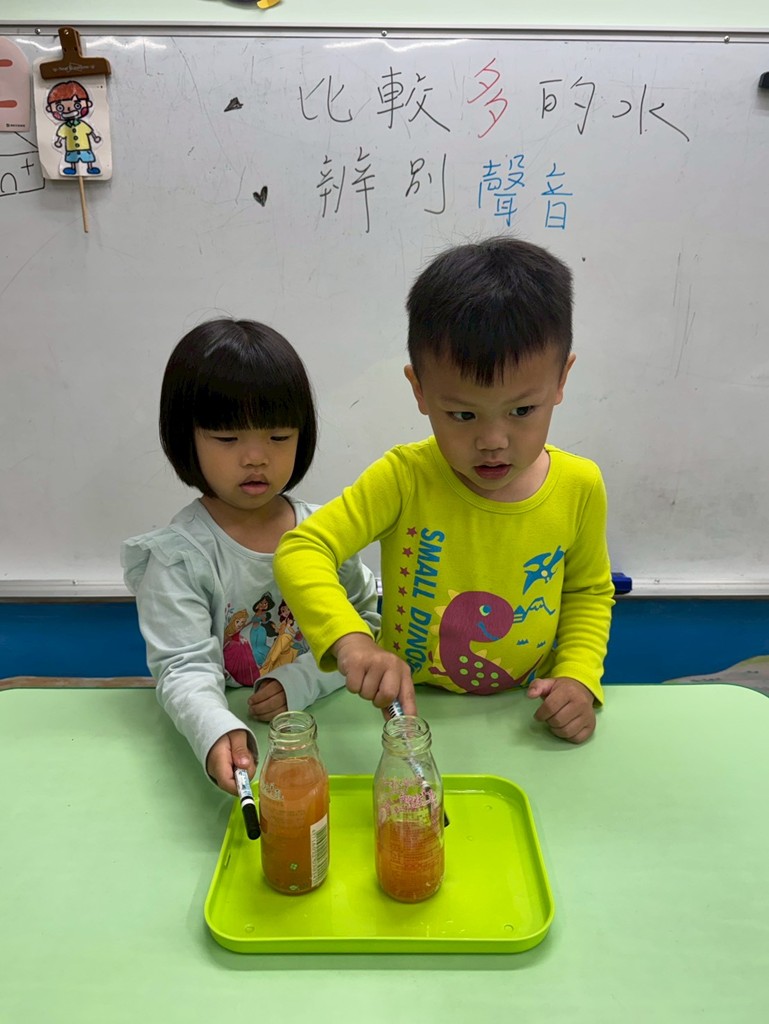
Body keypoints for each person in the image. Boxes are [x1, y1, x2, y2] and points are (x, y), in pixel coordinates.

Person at [274, 237, 614, 743]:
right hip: (406, 714)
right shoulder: (404, 478)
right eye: (462, 414)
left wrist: (578, 678)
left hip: (523, 717)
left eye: (522, 410)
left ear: (561, 379)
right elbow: (303, 549)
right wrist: (352, 642)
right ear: (419, 390)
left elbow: (587, 592)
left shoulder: (580, 487)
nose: (493, 441)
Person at [122, 319, 379, 794]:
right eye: (228, 439)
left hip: (336, 736)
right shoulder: (180, 557)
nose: (256, 457)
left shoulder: (324, 534)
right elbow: (183, 669)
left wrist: (302, 681)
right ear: (186, 437)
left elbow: (367, 624)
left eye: (279, 437)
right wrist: (215, 731)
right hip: (241, 748)